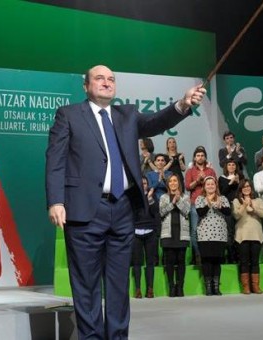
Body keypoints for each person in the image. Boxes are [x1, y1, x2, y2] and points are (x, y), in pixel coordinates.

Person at [45, 64, 206, 340]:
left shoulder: (127, 115)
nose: (106, 82)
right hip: (85, 211)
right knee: (86, 285)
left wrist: (182, 103)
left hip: (122, 209)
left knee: (119, 284)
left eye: (111, 79)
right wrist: (56, 200)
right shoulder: (69, 115)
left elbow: (157, 121)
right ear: (86, 86)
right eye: (99, 78)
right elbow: (55, 160)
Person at [195, 176, 231, 296]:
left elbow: (228, 212)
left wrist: (220, 206)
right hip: (205, 234)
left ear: (216, 186)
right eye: (208, 184)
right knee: (207, 260)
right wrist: (209, 203)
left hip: (220, 234)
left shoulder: (223, 198)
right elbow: (200, 213)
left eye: (212, 184)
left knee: (217, 260)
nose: (210, 186)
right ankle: (208, 288)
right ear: (204, 187)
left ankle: (216, 287)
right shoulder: (200, 199)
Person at [232, 179, 263, 294]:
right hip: (242, 235)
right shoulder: (236, 201)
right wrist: (244, 205)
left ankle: (255, 286)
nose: (246, 188)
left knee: (255, 261)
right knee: (244, 261)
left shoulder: (258, 200)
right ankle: (246, 286)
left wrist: (252, 205)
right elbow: (237, 215)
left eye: (248, 186)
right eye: (244, 187)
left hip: (256, 235)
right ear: (241, 189)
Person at [159, 174, 191, 297]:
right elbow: (162, 212)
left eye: (175, 181)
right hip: (168, 233)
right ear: (168, 184)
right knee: (170, 261)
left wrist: (178, 201)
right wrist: (173, 202)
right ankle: (171, 287)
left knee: (181, 261)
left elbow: (187, 211)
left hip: (181, 233)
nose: (173, 183)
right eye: (170, 181)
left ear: (179, 183)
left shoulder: (185, 197)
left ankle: (180, 287)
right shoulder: (163, 197)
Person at [131, 175, 160, 298]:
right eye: (141, 183)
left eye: (145, 183)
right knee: (137, 262)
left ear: (147, 185)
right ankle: (137, 289)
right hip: (136, 231)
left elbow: (155, 212)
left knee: (150, 262)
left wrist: (149, 199)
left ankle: (150, 289)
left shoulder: (152, 196)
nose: (143, 185)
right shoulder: (132, 197)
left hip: (150, 231)